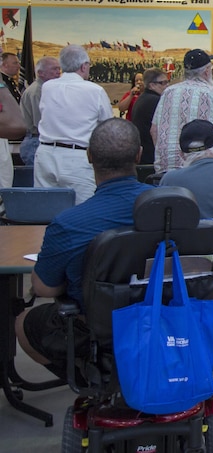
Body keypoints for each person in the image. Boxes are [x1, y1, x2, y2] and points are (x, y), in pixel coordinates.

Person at [15, 119, 155, 377]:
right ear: (139, 155)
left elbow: (45, 288)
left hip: (99, 328)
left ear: (89, 157)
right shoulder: (174, 207)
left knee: (24, 323)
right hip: (164, 319)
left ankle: (97, 382)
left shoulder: (68, 223)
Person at [35, 45, 112, 203]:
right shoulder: (94, 90)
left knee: (44, 210)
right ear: (84, 66)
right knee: (84, 212)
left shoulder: (47, 87)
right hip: (77, 156)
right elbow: (108, 126)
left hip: (45, 153)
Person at [151, 49, 213, 174]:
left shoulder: (168, 92)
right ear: (207, 71)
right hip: (204, 171)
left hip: (167, 171)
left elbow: (154, 130)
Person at [19, 55, 60, 165]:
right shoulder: (37, 92)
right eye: (54, 69)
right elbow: (41, 122)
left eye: (59, 69)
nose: (58, 72)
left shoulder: (46, 89)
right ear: (40, 73)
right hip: (36, 143)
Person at [131, 67, 167, 165]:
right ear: (151, 85)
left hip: (142, 152)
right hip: (150, 155)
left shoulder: (143, 98)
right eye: (162, 83)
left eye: (167, 82)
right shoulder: (155, 101)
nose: (166, 86)